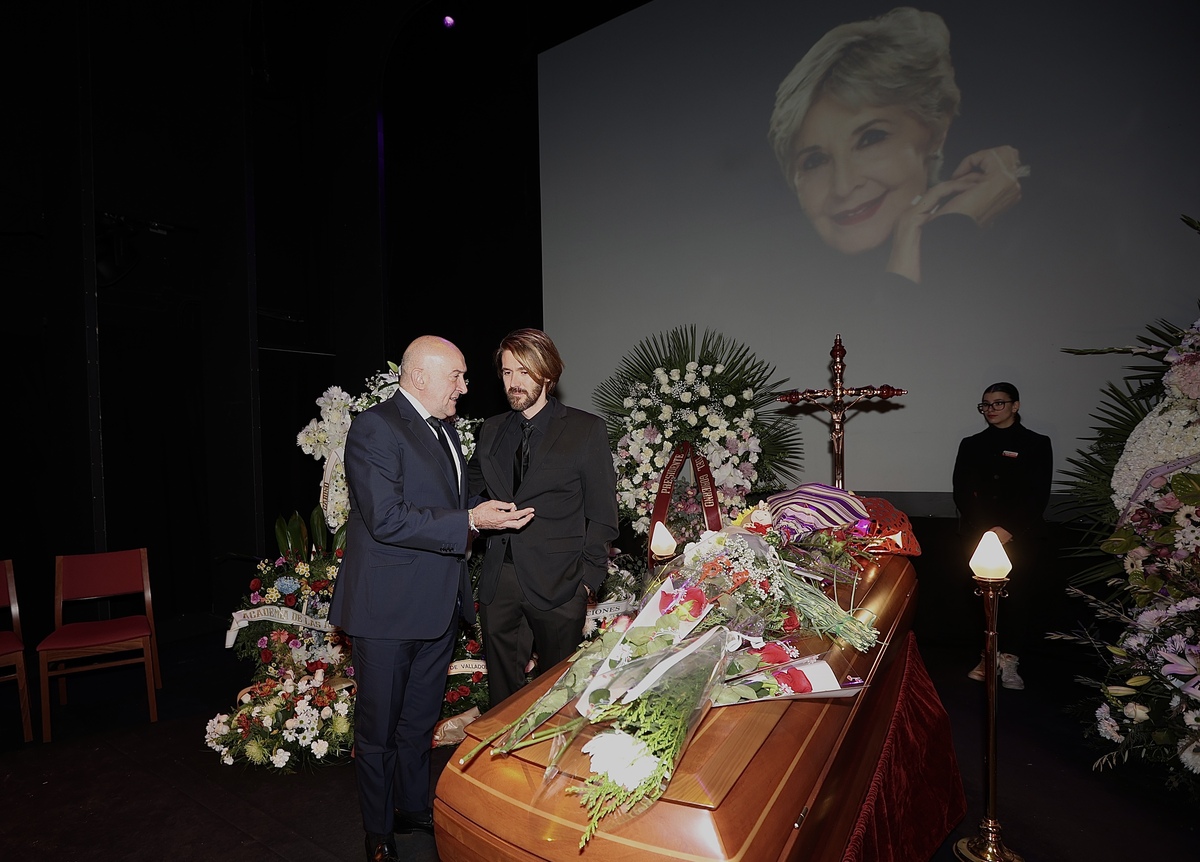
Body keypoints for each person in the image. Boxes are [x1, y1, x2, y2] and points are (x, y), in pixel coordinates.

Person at [329, 335, 534, 862]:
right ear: (420, 376)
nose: (466, 387)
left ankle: (411, 806)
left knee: (419, 722)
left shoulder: (442, 429)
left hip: (439, 605)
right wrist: (469, 519)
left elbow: (451, 501)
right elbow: (387, 517)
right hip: (387, 609)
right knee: (378, 728)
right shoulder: (375, 427)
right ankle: (377, 828)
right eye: (458, 376)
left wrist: (487, 509)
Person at [768, 6, 1026, 283]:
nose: (843, 187)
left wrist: (945, 237)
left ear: (936, 129)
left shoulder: (1034, 245)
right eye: (815, 161)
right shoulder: (762, 290)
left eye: (870, 139)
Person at [467, 328, 620, 707]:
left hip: (560, 583)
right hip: (498, 580)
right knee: (503, 697)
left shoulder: (585, 430)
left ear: (548, 375)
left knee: (558, 694)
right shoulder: (492, 430)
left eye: (524, 372)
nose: (514, 383)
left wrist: (587, 582)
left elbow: (602, 512)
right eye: (507, 373)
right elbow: (465, 488)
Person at [952, 382, 1052, 690]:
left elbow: (1038, 494)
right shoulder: (971, 443)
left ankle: (1010, 661)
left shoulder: (1036, 443)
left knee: (1017, 599)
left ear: (1015, 405)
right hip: (979, 536)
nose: (991, 410)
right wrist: (987, 531)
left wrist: (1007, 530)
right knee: (980, 600)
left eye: (998, 403)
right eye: (986, 404)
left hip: (1019, 536)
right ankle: (987, 657)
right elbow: (962, 491)